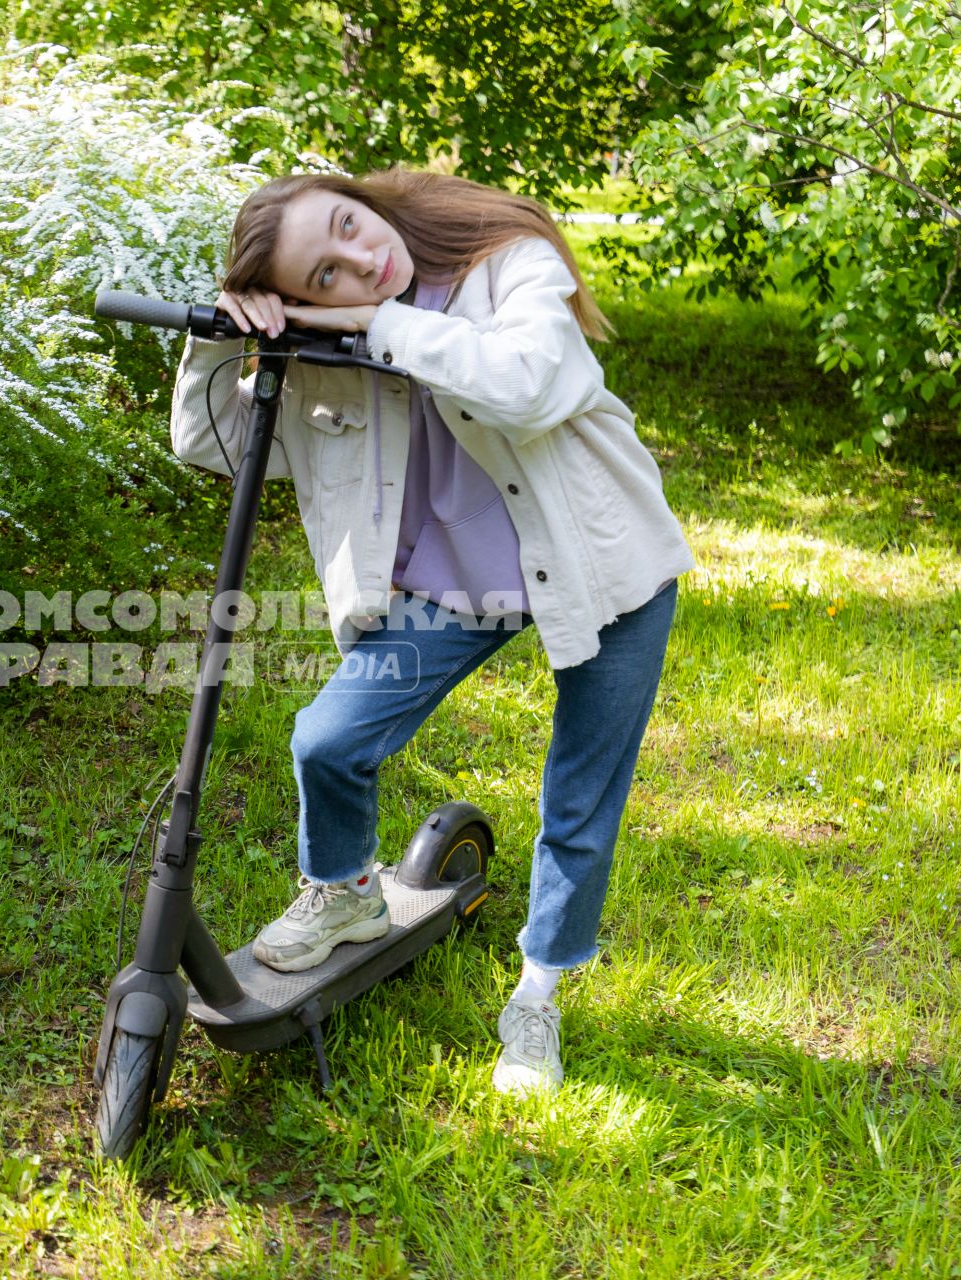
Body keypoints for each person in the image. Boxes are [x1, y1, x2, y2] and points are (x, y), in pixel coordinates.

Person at [166, 167, 696, 1094]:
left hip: (600, 565)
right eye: (323, 277)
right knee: (327, 740)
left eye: (347, 225)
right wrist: (222, 337)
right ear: (300, 302)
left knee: (579, 800)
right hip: (452, 590)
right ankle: (345, 895)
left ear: (364, 197)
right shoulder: (325, 348)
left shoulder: (508, 262)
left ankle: (538, 993)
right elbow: (214, 440)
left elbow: (531, 383)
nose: (360, 262)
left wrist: (372, 321)